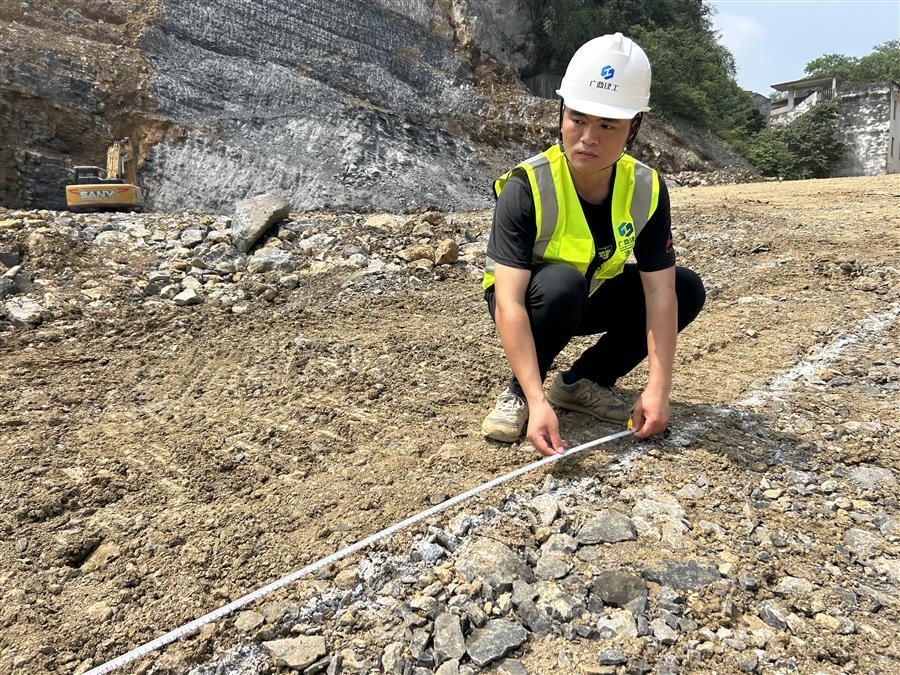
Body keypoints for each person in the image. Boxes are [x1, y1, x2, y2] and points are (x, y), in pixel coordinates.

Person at [481, 33, 706, 457]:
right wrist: (534, 398)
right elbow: (509, 301)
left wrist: (659, 389)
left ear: (633, 127)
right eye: (578, 119)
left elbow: (659, 292)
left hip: (591, 291)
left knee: (684, 286)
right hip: (531, 302)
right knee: (563, 284)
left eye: (608, 125)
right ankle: (518, 392)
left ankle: (582, 382)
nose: (588, 137)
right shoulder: (527, 185)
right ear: (561, 113)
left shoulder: (647, 188)